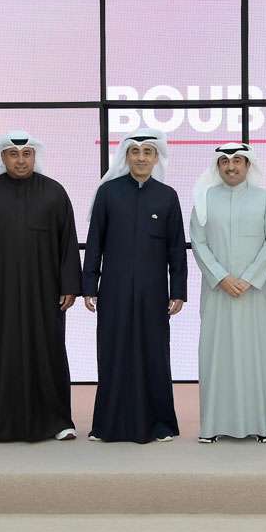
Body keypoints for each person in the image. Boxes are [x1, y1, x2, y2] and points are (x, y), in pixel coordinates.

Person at [0, 131, 81, 443]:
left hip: (45, 293)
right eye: (13, 154)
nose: (21, 160)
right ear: (2, 158)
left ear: (34, 157)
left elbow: (68, 241)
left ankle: (57, 422)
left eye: (26, 154)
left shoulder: (54, 192)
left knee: (48, 351)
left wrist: (69, 284)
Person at [83, 129, 187, 443]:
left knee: (154, 353)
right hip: (113, 290)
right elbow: (95, 242)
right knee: (113, 352)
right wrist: (89, 285)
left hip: (153, 292)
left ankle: (159, 424)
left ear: (156, 158)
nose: (141, 158)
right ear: (126, 156)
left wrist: (178, 290)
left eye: (148, 152)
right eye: (135, 152)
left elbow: (176, 248)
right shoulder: (108, 192)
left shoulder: (167, 196)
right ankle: (108, 425)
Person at [190, 143, 266, 443]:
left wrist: (249, 278)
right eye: (225, 162)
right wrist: (221, 277)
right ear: (217, 166)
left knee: (258, 355)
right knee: (216, 356)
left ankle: (263, 424)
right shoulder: (204, 199)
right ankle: (213, 425)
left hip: (255, 293)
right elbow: (198, 242)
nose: (231, 167)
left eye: (237, 161)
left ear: (248, 165)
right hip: (218, 292)